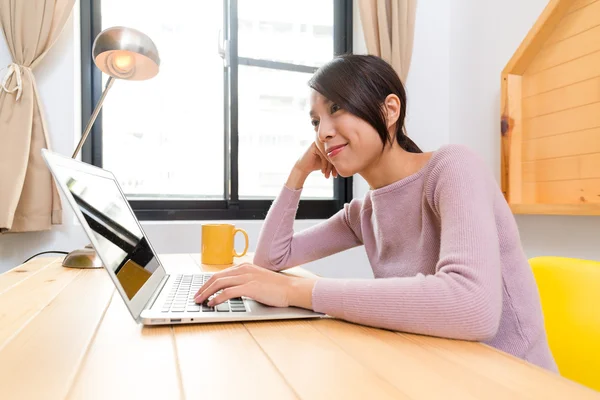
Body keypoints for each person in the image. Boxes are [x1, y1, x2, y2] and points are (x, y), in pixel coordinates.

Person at [194, 54, 558, 372]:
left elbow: (471, 307)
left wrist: (297, 290)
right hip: (438, 370)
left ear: (389, 110)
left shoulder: (453, 168)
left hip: (513, 380)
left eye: (336, 108)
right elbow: (271, 260)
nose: (324, 132)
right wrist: (298, 173)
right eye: (315, 121)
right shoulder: (364, 212)